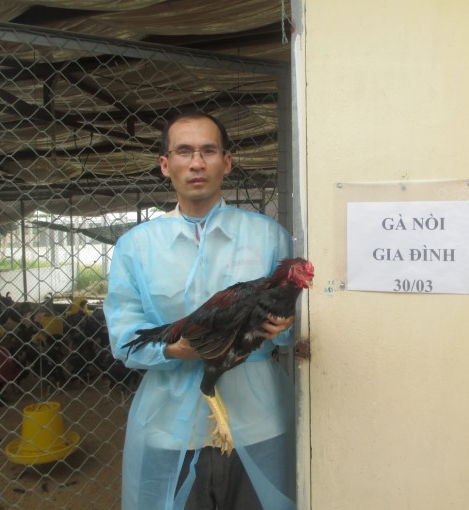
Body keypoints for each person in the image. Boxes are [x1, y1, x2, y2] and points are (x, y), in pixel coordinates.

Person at [104, 111, 297, 510]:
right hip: (169, 428)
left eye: (209, 150)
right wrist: (176, 350)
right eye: (184, 151)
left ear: (226, 161)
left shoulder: (268, 237)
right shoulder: (137, 246)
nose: (196, 163)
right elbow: (125, 339)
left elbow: (300, 328)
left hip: (257, 419)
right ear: (165, 164)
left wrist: (285, 324)